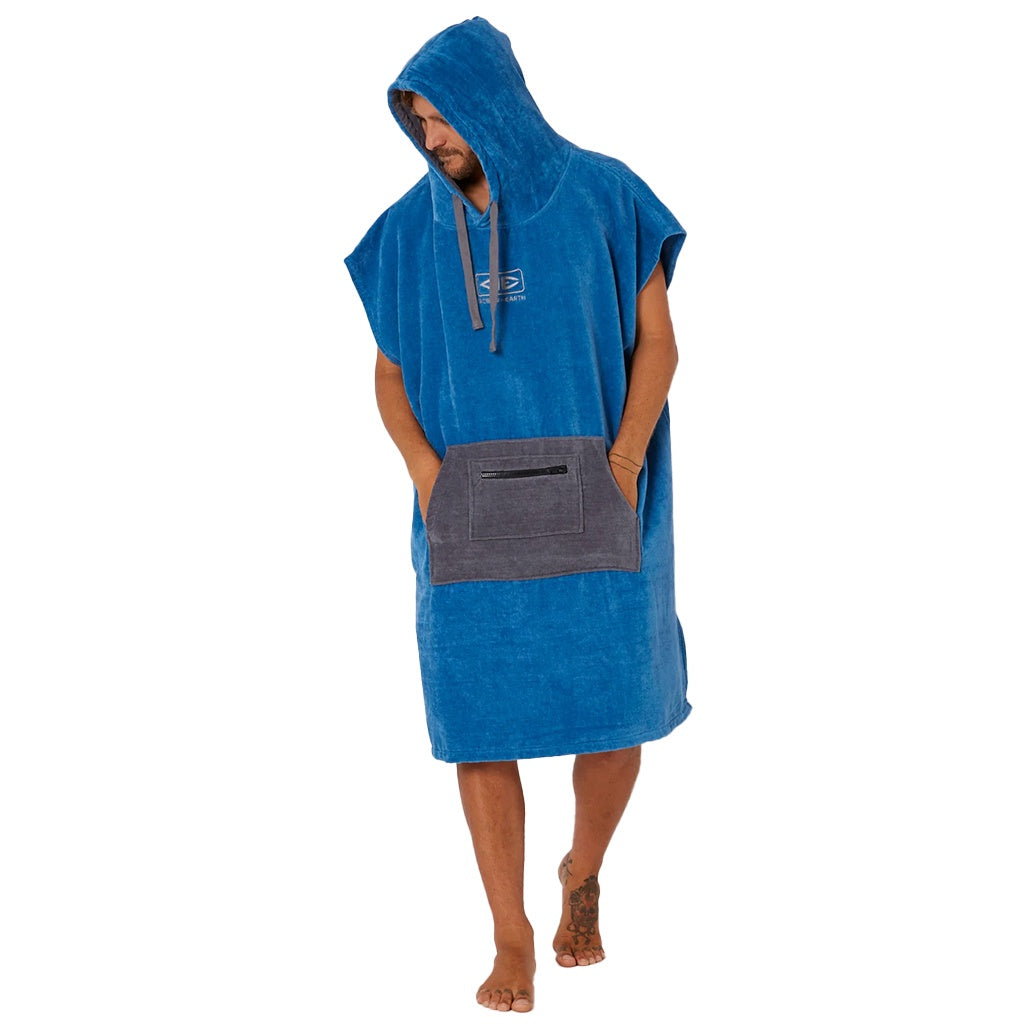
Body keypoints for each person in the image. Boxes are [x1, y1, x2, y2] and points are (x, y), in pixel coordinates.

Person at [345, 18, 692, 1014]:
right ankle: (510, 933)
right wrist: (425, 474)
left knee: (617, 708)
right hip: (467, 504)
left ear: (493, 98)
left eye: (443, 114)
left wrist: (623, 461)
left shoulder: (607, 195)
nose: (432, 135)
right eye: (418, 120)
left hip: (601, 487)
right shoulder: (404, 233)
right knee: (479, 725)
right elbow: (388, 375)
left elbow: (659, 343)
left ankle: (582, 870)